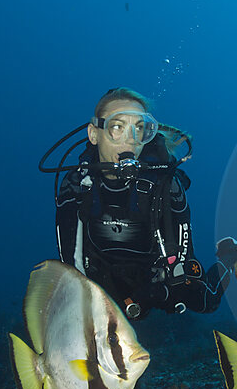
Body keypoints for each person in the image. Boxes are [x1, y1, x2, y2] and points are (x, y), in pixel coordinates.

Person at [54, 87, 227, 319]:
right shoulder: (77, 184)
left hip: (155, 278)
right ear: (94, 134)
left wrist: (159, 291)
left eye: (139, 129)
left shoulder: (165, 183)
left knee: (207, 302)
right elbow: (71, 264)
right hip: (103, 277)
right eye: (118, 127)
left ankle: (231, 257)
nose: (131, 140)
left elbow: (183, 253)